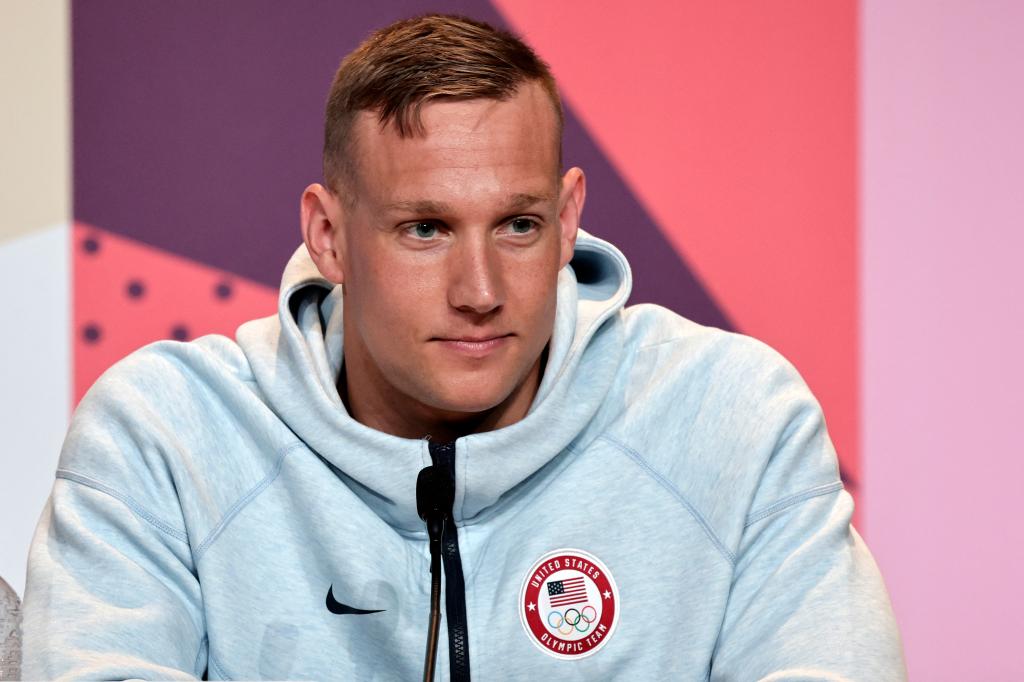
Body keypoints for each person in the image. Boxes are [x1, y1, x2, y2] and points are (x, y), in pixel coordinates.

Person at [22, 14, 906, 681]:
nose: (480, 291)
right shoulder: (166, 440)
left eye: (518, 226)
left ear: (567, 221)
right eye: (426, 229)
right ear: (328, 236)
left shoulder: (733, 421)